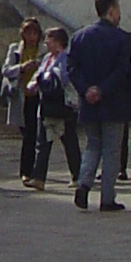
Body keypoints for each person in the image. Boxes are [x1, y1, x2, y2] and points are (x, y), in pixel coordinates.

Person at [66, 0, 131, 212]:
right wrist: (103, 89)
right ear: (111, 11)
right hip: (114, 102)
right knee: (111, 151)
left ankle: (83, 184)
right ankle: (107, 197)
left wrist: (86, 89)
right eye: (118, 10)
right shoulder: (123, 39)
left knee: (92, 145)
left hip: (88, 102)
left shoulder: (79, 37)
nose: (120, 14)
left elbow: (71, 68)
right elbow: (122, 71)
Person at [31, 26, 82, 188]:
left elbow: (66, 79)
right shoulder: (47, 58)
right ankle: (39, 178)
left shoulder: (66, 58)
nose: (46, 42)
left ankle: (78, 175)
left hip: (63, 105)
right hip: (46, 105)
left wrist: (53, 76)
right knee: (43, 142)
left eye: (49, 39)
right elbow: (38, 74)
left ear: (58, 41)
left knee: (69, 141)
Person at [1, 18, 46, 188]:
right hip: (21, 95)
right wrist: (21, 68)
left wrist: (38, 66)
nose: (32, 37)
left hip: (37, 95)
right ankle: (27, 169)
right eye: (28, 33)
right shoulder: (15, 49)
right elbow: (6, 69)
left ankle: (31, 170)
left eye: (35, 33)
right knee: (26, 132)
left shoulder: (43, 50)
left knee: (34, 134)